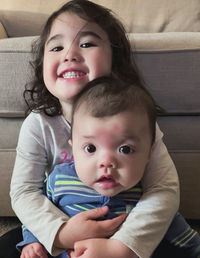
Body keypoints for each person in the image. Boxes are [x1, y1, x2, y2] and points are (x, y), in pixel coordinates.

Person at [3, 0, 180, 257]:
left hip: (125, 222)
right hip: (65, 221)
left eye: (86, 43)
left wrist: (121, 247)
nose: (70, 54)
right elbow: (24, 191)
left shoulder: (138, 120)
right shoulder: (39, 123)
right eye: (57, 47)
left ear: (114, 60)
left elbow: (163, 189)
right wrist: (61, 232)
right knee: (11, 245)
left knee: (171, 242)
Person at [18, 76, 200, 258]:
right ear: (73, 148)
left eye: (125, 149)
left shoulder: (144, 196)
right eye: (90, 148)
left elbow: (178, 230)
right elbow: (36, 213)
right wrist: (31, 240)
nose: (106, 162)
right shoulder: (58, 180)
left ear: (148, 154)